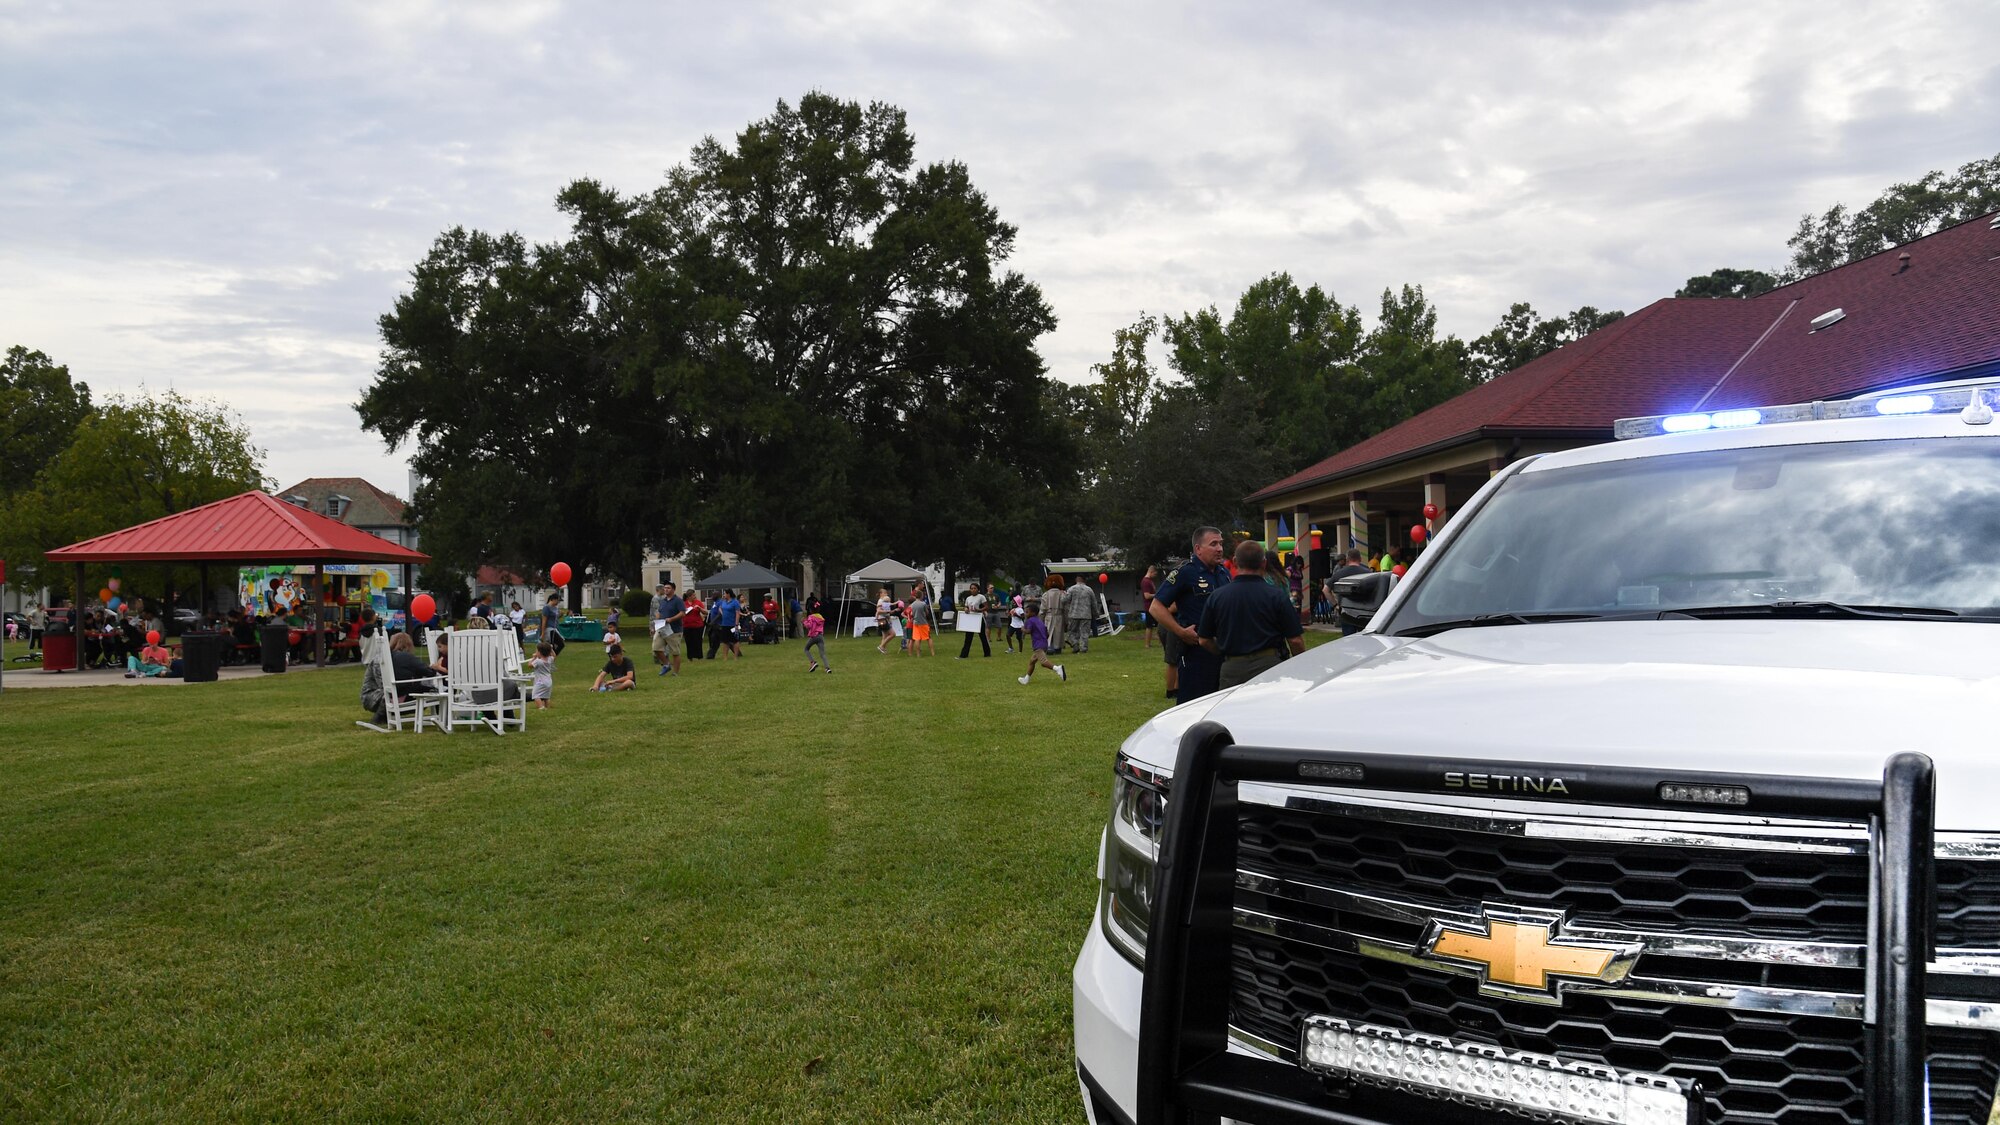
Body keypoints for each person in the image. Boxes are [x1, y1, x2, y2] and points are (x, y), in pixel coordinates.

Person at [1199, 539, 1306, 689]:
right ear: (1264, 563)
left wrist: (1223, 651)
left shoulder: (1217, 597)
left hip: (1232, 668)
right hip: (1269, 666)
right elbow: (1295, 640)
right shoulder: (1276, 596)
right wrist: (1301, 665)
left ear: (1235, 562)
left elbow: (1204, 640)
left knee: (1234, 711)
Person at [1151, 526, 1231, 703]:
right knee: (1194, 708)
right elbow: (1156, 607)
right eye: (1213, 544)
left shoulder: (1224, 573)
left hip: (1224, 651)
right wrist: (1180, 631)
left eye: (1221, 543)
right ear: (1198, 549)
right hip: (1196, 653)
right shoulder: (1186, 573)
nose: (1219, 548)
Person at [1016, 602, 1067, 685]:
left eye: (1027, 612)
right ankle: (1026, 679)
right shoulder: (1039, 620)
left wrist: (1022, 629)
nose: (1025, 614)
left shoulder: (1030, 620)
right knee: (1032, 661)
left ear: (1033, 613)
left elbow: (1028, 631)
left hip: (1038, 644)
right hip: (1044, 643)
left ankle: (1058, 668)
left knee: (1043, 662)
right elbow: (1046, 633)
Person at [653, 581, 686, 677]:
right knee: (656, 648)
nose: (666, 590)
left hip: (674, 630)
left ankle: (675, 672)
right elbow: (659, 611)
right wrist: (657, 618)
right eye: (665, 588)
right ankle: (667, 664)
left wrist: (671, 619)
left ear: (673, 589)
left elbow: (682, 613)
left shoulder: (678, 600)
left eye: (668, 588)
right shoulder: (663, 601)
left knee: (675, 652)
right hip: (662, 628)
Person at [1064, 572, 1096, 654]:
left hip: (1074, 614)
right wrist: (1095, 613)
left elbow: (1065, 600)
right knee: (1084, 633)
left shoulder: (1071, 589)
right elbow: (1094, 603)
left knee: (1071, 632)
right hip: (1086, 614)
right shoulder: (1089, 589)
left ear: (1076, 579)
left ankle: (1075, 644)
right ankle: (1083, 648)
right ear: (1084, 580)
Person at [956, 582, 991, 658]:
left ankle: (987, 653)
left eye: (975, 588)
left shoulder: (981, 597)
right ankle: (964, 655)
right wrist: (965, 609)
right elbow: (966, 607)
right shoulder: (968, 598)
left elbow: (986, 607)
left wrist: (979, 610)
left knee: (982, 637)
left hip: (978, 618)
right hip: (970, 619)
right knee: (968, 637)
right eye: (971, 588)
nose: (973, 590)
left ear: (978, 589)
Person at [710, 590, 742, 660]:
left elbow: (737, 613)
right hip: (724, 624)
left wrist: (736, 624)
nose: (724, 595)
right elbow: (720, 608)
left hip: (733, 624)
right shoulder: (724, 602)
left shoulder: (735, 602)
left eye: (725, 593)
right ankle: (725, 657)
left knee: (735, 640)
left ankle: (736, 656)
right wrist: (722, 613)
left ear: (729, 594)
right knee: (725, 641)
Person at [905, 585, 936, 656]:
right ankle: (932, 653)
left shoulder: (912, 605)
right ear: (921, 596)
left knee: (917, 639)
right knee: (928, 638)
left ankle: (918, 654)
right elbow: (927, 613)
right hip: (924, 623)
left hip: (916, 623)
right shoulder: (923, 604)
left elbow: (912, 614)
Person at [1039, 575, 1066, 655]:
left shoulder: (1046, 595)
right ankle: (1058, 647)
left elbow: (1042, 610)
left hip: (1049, 616)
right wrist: (1067, 620)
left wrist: (1040, 621)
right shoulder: (1063, 594)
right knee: (1059, 632)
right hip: (1059, 616)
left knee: (1049, 632)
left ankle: (1049, 646)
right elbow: (1066, 608)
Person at [803, 605, 830, 672]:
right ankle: (827, 668)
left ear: (811, 610)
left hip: (814, 636)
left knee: (806, 649)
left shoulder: (811, 617)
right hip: (820, 636)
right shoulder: (820, 617)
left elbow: (809, 626)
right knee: (822, 653)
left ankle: (813, 662)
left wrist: (804, 621)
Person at [530, 641, 556, 709]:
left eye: (537, 651)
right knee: (546, 696)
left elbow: (530, 665)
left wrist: (534, 657)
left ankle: (541, 708)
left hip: (540, 681)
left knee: (536, 695)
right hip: (549, 680)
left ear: (540, 652)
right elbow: (554, 656)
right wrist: (551, 649)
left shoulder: (538, 661)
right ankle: (547, 707)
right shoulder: (549, 659)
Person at [682, 592, 706, 660]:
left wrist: (699, 608)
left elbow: (705, 612)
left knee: (698, 641)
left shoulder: (698, 602)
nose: (695, 596)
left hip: (698, 625)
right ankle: (690, 657)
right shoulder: (684, 603)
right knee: (689, 642)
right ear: (689, 597)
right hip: (687, 626)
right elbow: (680, 612)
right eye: (693, 595)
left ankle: (699, 656)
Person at [1139, 566, 1158, 648]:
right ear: (1151, 572)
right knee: (1149, 626)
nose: (1155, 576)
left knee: (1158, 625)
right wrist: (1157, 595)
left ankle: (1160, 643)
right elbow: (1146, 596)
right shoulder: (1145, 582)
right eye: (1155, 574)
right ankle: (1147, 644)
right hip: (1149, 607)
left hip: (1154, 606)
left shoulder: (1150, 581)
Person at [874, 587, 895, 654]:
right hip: (882, 620)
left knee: (885, 635)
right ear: (881, 594)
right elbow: (879, 611)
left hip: (882, 620)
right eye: (885, 593)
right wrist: (888, 611)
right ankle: (881, 646)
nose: (886, 594)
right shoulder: (881, 601)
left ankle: (883, 649)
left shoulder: (883, 601)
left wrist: (888, 615)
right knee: (893, 634)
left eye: (886, 593)